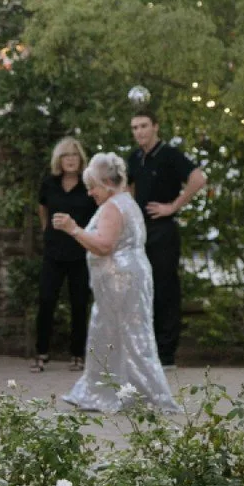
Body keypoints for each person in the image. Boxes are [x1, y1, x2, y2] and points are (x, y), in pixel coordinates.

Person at [57, 151, 176, 413]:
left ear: (107, 184)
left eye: (93, 187)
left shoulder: (112, 207)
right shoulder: (126, 202)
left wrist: (73, 229)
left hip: (120, 283)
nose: (90, 193)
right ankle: (112, 392)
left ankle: (134, 395)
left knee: (124, 336)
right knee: (118, 336)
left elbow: (104, 246)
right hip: (127, 280)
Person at [125, 108, 207, 365]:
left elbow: (198, 178)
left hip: (163, 229)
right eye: (135, 127)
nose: (139, 131)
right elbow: (126, 187)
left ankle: (166, 353)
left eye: (143, 126)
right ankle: (145, 349)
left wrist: (173, 206)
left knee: (165, 288)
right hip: (140, 230)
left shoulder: (170, 154)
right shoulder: (135, 157)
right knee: (141, 287)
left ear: (155, 127)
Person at [34, 137, 96, 373]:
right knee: (46, 300)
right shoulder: (49, 183)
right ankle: (41, 353)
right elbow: (43, 208)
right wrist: (47, 230)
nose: (70, 159)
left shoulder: (88, 185)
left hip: (80, 252)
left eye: (74, 155)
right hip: (54, 251)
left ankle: (77, 355)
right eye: (65, 155)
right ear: (58, 160)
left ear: (80, 159)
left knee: (79, 304)